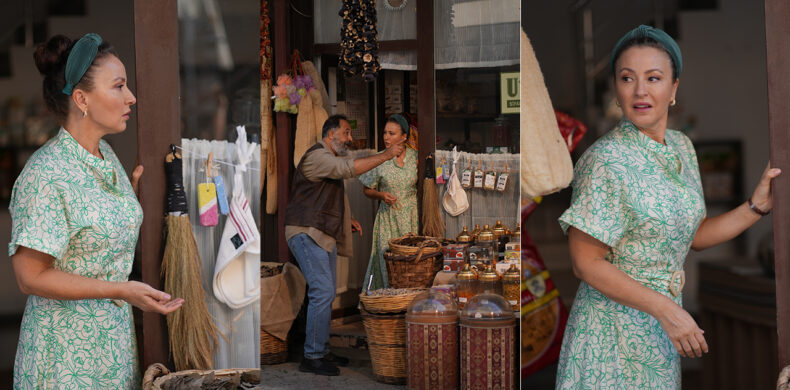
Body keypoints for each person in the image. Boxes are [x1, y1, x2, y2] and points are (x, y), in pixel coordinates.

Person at [555, 25, 781, 388]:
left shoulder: (681, 148)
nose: (640, 91)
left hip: (661, 336)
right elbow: (586, 264)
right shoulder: (605, 160)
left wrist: (755, 207)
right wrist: (667, 309)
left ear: (674, 88)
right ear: (616, 88)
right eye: (627, 78)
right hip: (610, 337)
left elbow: (695, 235)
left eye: (654, 78)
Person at [9, 33, 183, 388]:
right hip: (63, 356)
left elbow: (91, 228)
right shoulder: (46, 173)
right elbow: (30, 277)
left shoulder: (107, 156)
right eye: (119, 86)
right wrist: (120, 290)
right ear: (81, 98)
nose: (131, 97)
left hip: (112, 349)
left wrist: (130, 194)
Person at [284, 114, 406, 376]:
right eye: (347, 133)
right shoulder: (318, 156)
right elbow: (345, 170)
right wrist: (386, 155)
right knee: (323, 291)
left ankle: (321, 349)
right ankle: (312, 356)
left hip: (320, 232)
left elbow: (326, 192)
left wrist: (346, 218)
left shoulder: (328, 157)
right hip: (306, 232)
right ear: (331, 135)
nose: (350, 138)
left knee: (323, 292)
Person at [359, 114, 418, 292]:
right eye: (385, 132)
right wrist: (381, 195)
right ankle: (387, 303)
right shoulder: (380, 159)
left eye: (392, 133)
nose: (386, 137)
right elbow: (367, 190)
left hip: (411, 217)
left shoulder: (416, 157)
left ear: (404, 136)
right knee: (387, 261)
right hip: (388, 219)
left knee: (412, 261)